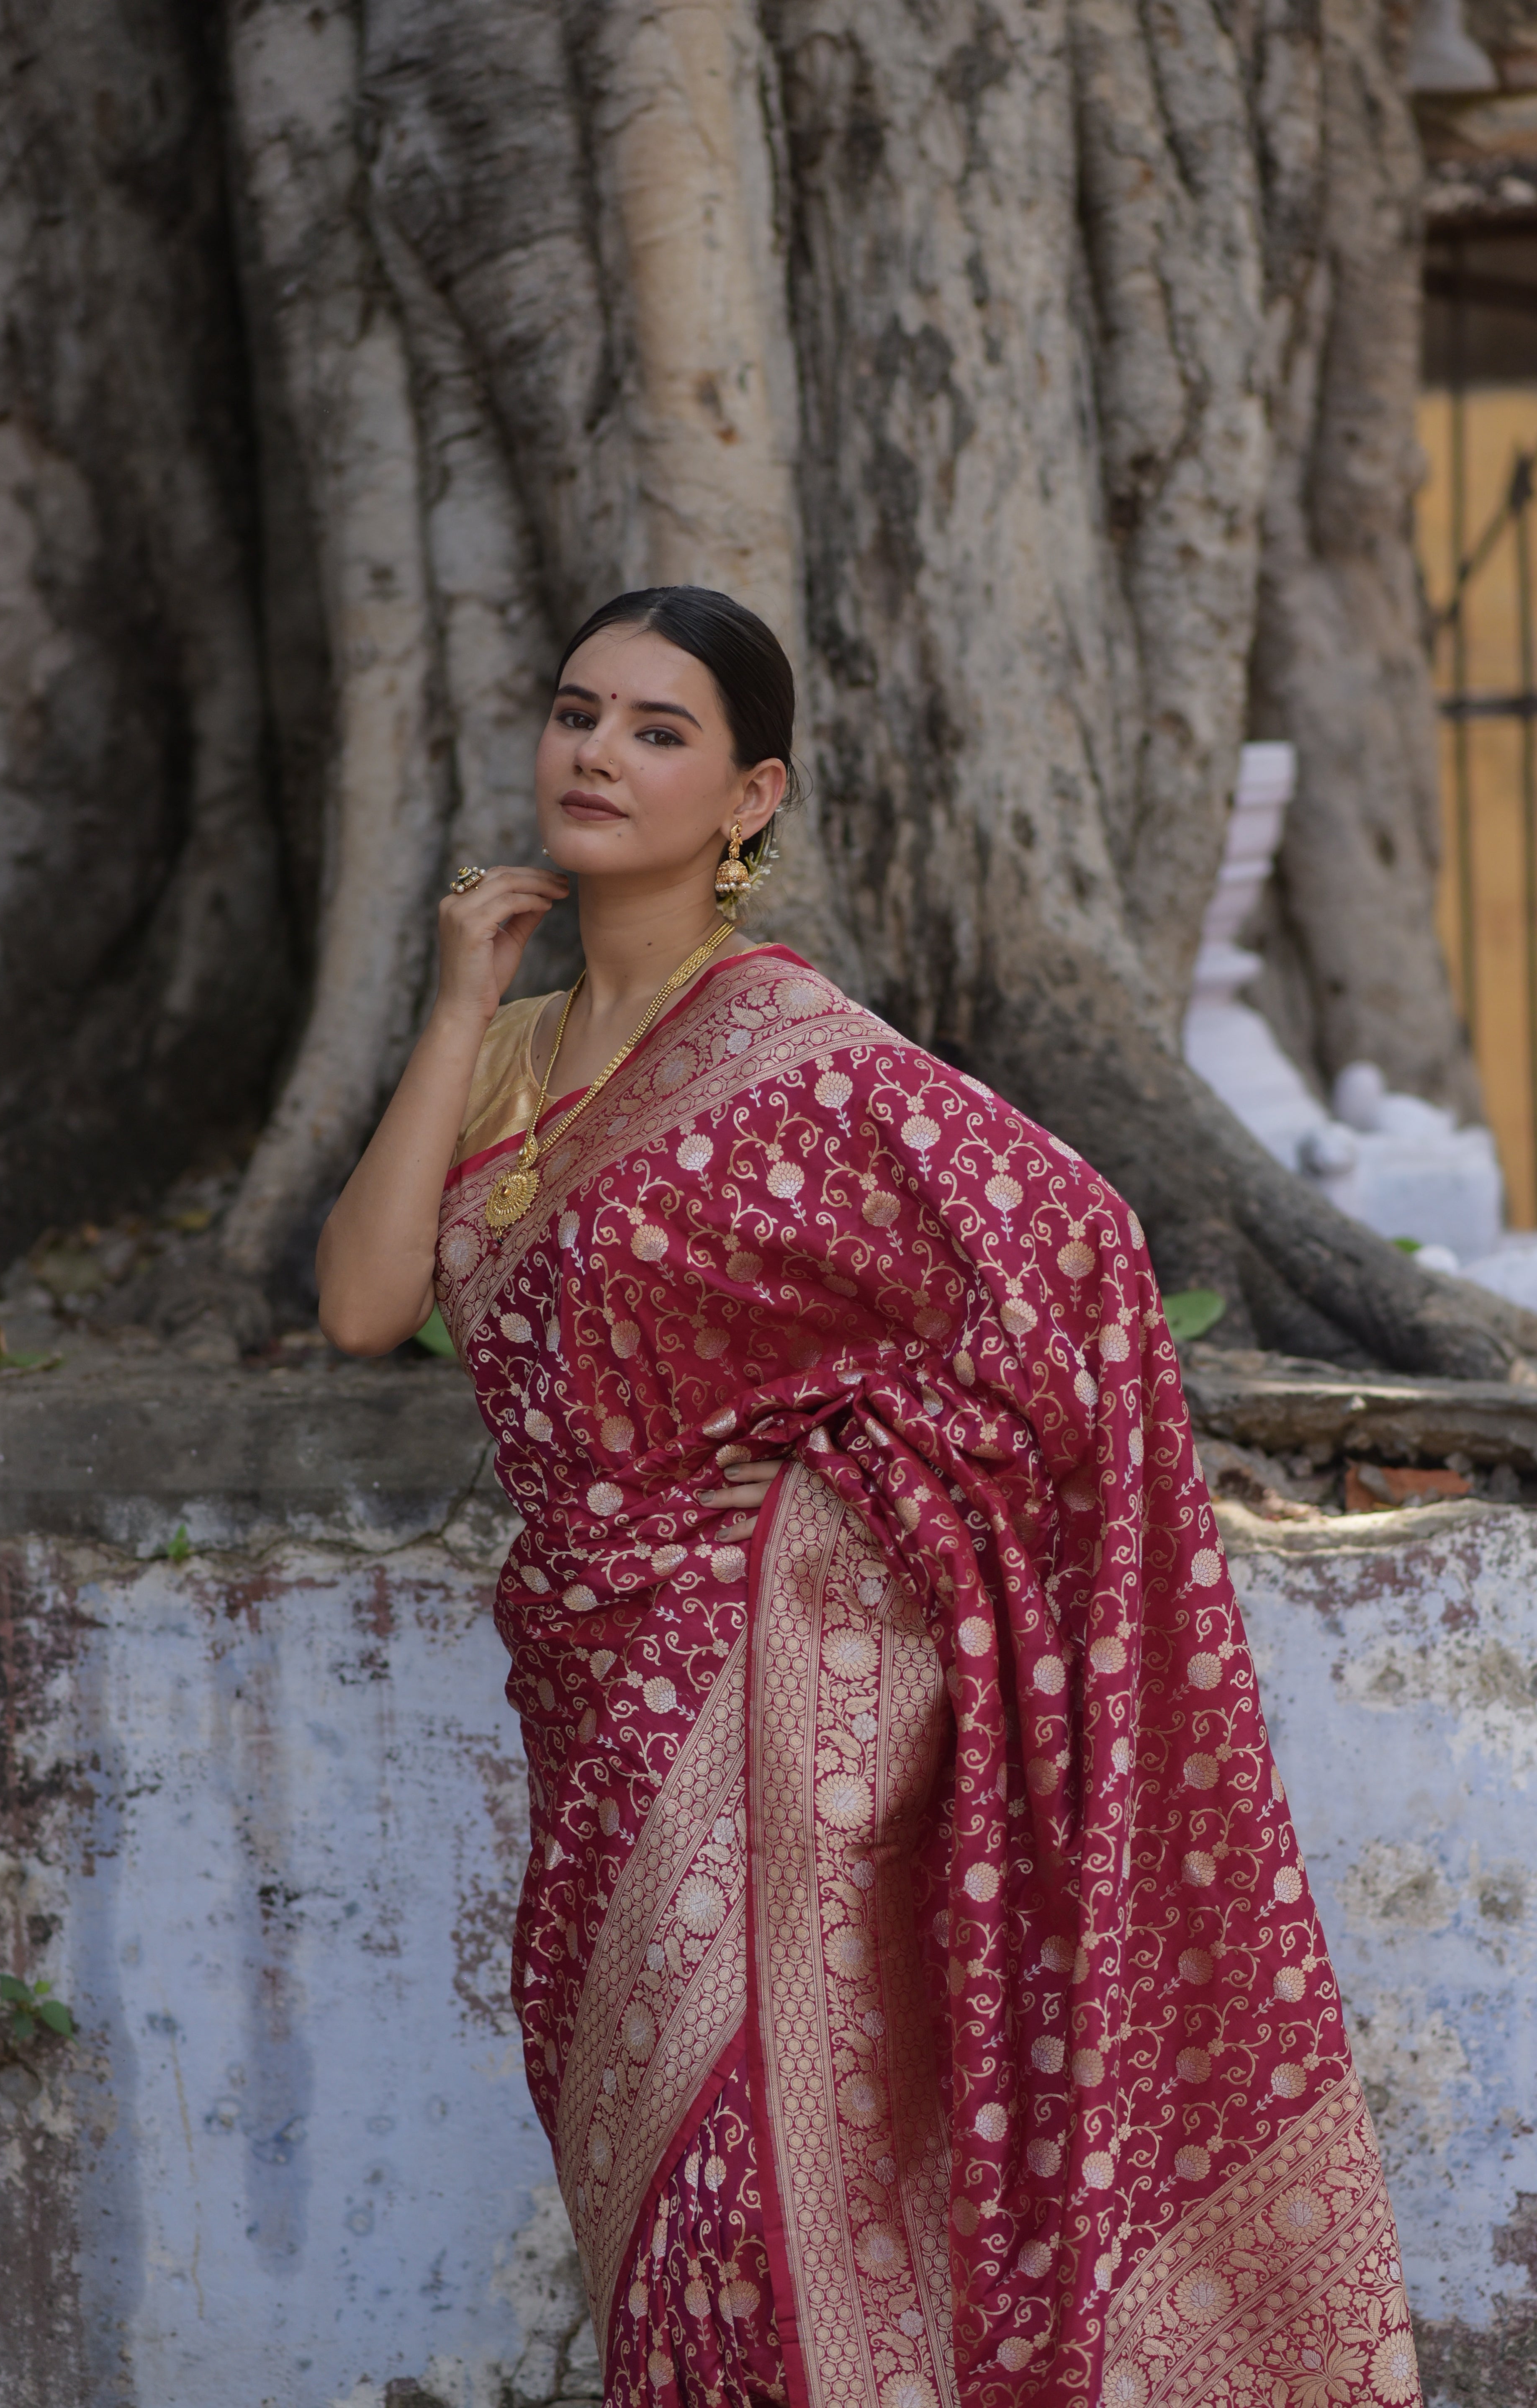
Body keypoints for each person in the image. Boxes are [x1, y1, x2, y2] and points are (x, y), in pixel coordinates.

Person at [316, 588, 1421, 2408]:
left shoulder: (793, 1052)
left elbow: (1072, 1246)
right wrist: (452, 1003)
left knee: (762, 2201)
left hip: (768, 1715)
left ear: (750, 797)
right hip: (592, 1705)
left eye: (658, 730)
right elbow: (365, 1305)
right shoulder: (508, 1061)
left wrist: (826, 1531)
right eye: (578, 713)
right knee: (657, 2207)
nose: (597, 751)